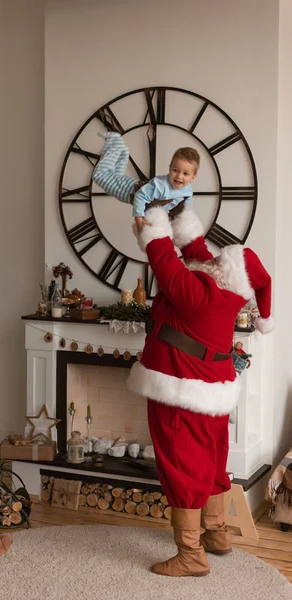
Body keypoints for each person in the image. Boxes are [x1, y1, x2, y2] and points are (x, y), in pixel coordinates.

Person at [127, 205, 273, 577]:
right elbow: (197, 256)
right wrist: (183, 221)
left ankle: (190, 554)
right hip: (212, 390)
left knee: (182, 465)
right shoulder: (223, 290)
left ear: (228, 273)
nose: (215, 259)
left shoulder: (199, 294)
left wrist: (155, 229)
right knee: (208, 461)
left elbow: (167, 266)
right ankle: (216, 533)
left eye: (223, 260)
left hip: (181, 390)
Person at [92, 132, 199, 233]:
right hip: (128, 190)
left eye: (185, 174)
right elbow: (140, 196)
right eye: (175, 170)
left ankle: (123, 151)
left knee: (115, 176)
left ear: (193, 177)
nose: (179, 176)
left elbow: (184, 207)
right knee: (100, 176)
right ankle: (116, 142)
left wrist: (183, 221)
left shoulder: (187, 191)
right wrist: (138, 220)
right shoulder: (160, 185)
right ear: (170, 168)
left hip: (131, 192)